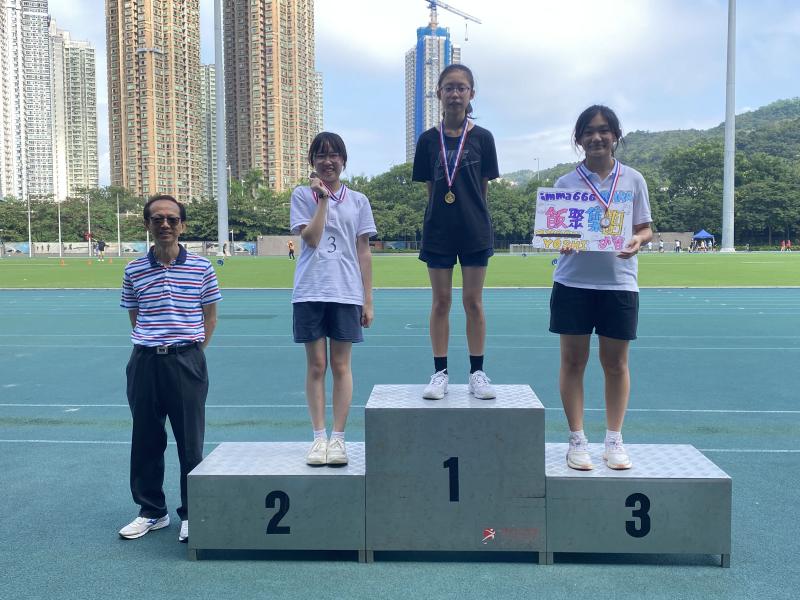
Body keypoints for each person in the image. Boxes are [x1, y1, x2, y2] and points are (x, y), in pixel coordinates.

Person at [548, 105, 653, 471]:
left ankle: (614, 439)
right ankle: (577, 439)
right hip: (573, 281)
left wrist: (639, 240)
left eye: (605, 130)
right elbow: (555, 233)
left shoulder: (633, 179)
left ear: (615, 136)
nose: (597, 137)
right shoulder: (564, 184)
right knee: (573, 362)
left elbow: (644, 227)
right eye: (589, 131)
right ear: (578, 139)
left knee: (616, 364)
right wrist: (558, 240)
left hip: (619, 283)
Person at [118, 194, 221, 543]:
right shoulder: (133, 269)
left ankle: (192, 513)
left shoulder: (202, 268)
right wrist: (154, 343)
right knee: (146, 439)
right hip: (145, 361)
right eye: (157, 219)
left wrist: (188, 350)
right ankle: (151, 511)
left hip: (186, 359)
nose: (165, 225)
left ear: (183, 226)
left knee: (190, 442)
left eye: (172, 219)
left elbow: (210, 317)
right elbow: (136, 316)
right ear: (147, 225)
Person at [412, 64, 500, 400]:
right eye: (449, 87)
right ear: (439, 93)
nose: (455, 93)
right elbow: (431, 189)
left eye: (462, 87)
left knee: (473, 302)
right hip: (438, 230)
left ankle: (477, 372)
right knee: (441, 302)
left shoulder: (483, 138)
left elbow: (483, 187)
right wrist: (443, 213)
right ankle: (440, 373)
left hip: (474, 228)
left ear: (471, 94)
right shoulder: (427, 140)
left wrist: (469, 211)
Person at [290, 132, 376, 466]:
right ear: (312, 161)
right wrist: (322, 200)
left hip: (346, 292)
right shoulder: (302, 195)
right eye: (321, 155)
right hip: (311, 290)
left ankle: (339, 439)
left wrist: (367, 299)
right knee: (316, 365)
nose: (329, 161)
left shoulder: (358, 200)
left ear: (344, 160)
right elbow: (310, 239)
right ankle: (318, 438)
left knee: (341, 365)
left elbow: (363, 251)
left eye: (335, 155)